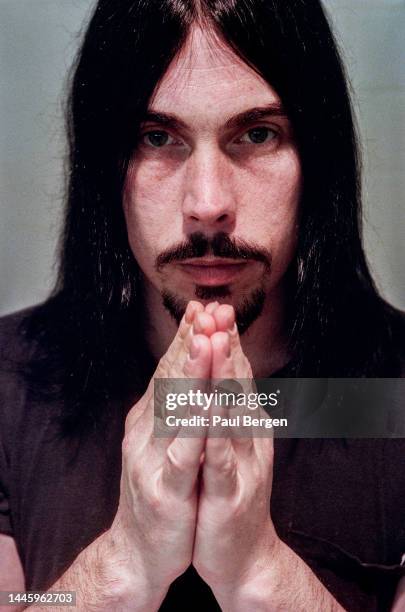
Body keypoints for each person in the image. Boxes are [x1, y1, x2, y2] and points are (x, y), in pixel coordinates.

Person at [0, 0, 404, 610]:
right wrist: (122, 566)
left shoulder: (392, 397)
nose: (208, 204)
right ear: (105, 165)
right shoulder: (10, 384)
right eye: (157, 137)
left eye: (257, 134)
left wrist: (259, 573)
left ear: (316, 156)